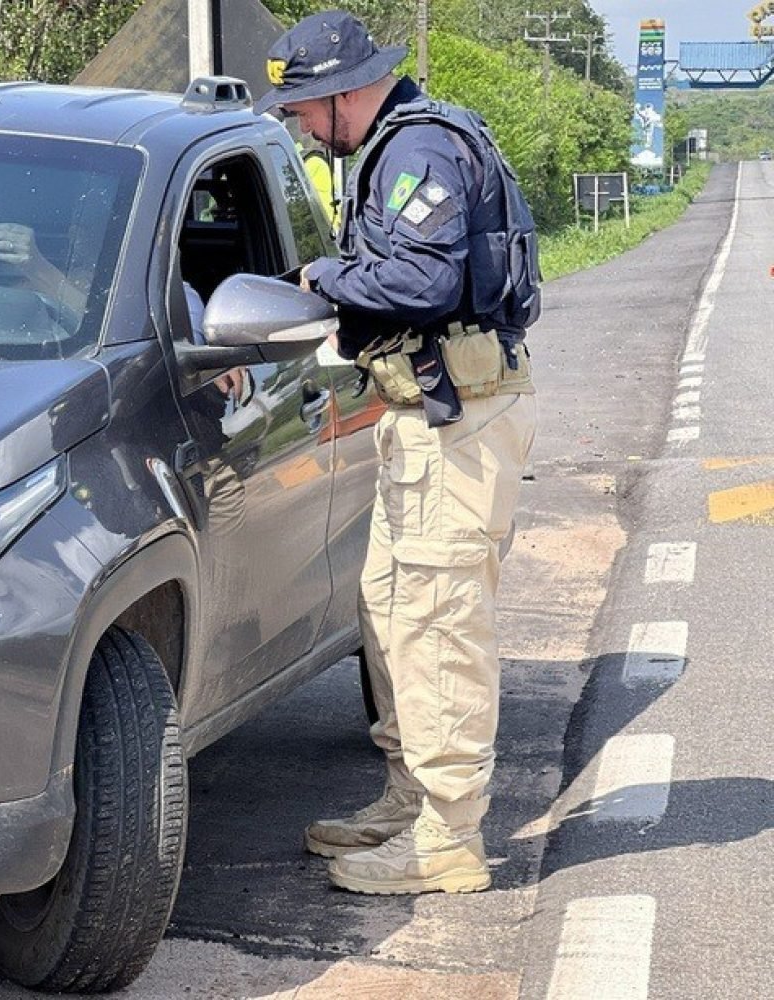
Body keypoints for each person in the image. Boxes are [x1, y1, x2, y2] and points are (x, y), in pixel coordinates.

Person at [255, 10, 540, 896]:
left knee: (440, 627)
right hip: (423, 417)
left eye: (305, 108)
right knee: (390, 613)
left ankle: (448, 845)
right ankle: (411, 797)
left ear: (344, 94)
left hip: (458, 425)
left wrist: (317, 281)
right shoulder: (394, 146)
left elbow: (424, 279)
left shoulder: (416, 151)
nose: (303, 125)